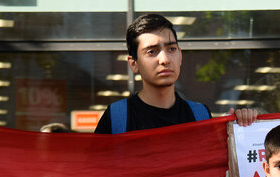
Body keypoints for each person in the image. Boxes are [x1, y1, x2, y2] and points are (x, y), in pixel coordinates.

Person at [94, 14, 256, 134]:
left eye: (171, 49)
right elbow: (95, 173)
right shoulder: (116, 119)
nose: (164, 59)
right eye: (152, 51)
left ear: (180, 56)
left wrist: (241, 126)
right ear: (133, 64)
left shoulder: (200, 115)